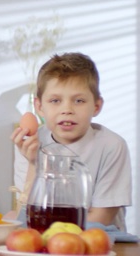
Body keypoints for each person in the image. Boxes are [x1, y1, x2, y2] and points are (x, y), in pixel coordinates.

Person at [11, 52, 132, 231]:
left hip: (98, 243)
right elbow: (27, 214)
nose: (66, 109)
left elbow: (101, 219)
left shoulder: (112, 146)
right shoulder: (30, 143)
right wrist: (32, 163)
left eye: (79, 100)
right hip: (46, 238)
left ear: (97, 106)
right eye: (55, 100)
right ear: (39, 107)